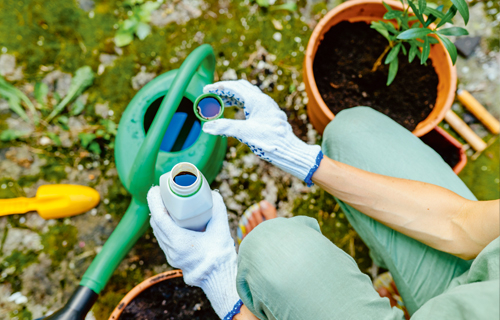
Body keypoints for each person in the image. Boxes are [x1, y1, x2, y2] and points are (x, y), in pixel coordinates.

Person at [147, 80, 499, 320]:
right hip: (479, 289)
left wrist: (218, 281)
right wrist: (298, 156)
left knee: (273, 251)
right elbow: (462, 224)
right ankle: (398, 281)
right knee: (355, 133)